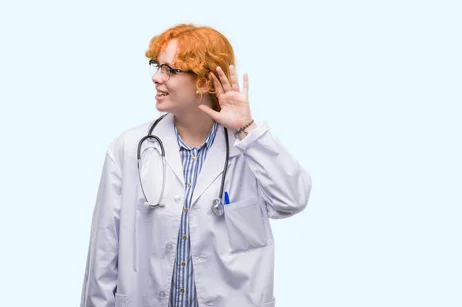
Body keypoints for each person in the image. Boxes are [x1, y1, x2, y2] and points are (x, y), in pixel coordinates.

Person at [79, 24, 312, 307]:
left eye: (170, 70)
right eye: (156, 66)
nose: (156, 77)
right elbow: (104, 248)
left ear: (204, 80)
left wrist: (247, 130)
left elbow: (293, 200)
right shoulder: (129, 148)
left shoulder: (248, 149)